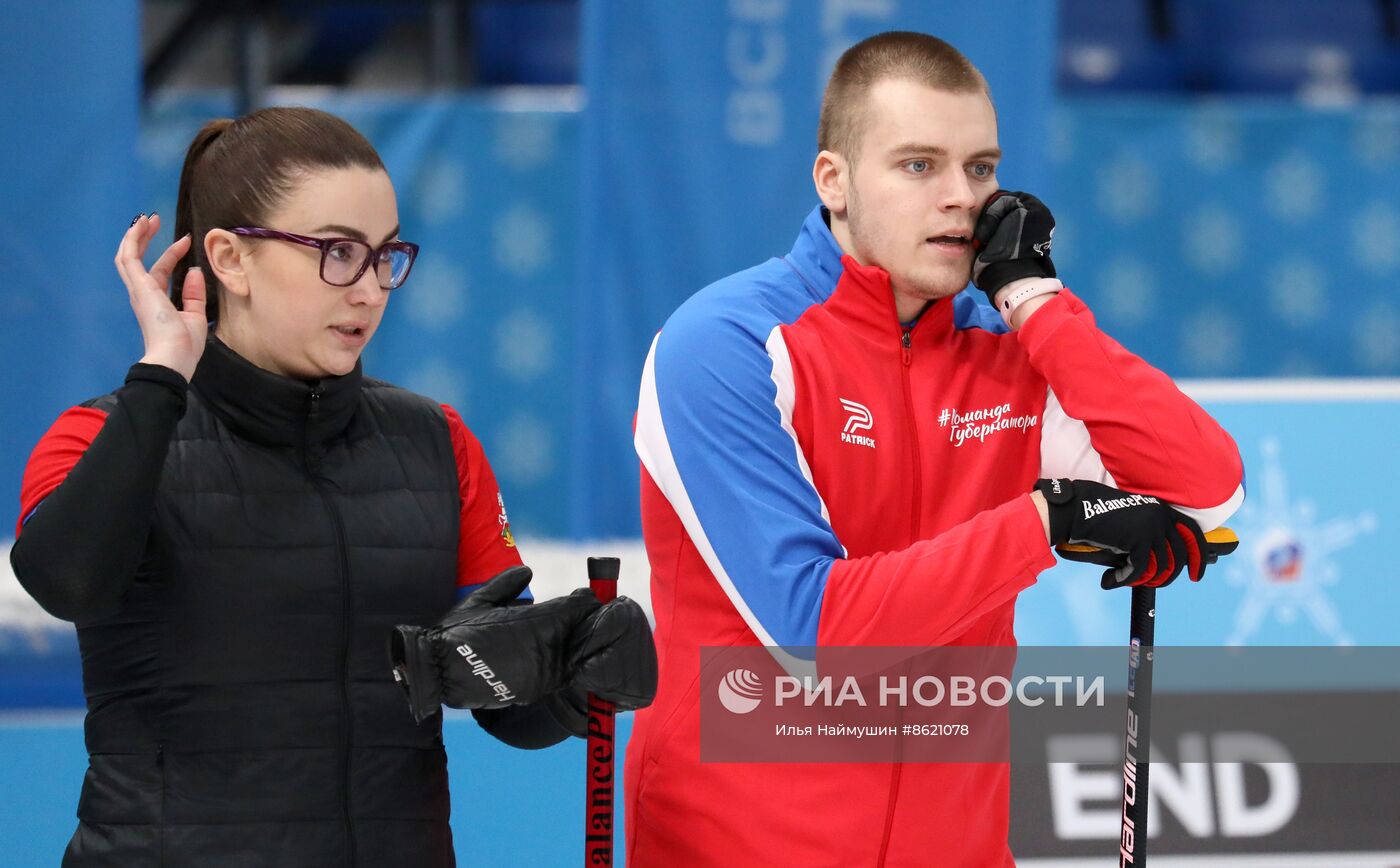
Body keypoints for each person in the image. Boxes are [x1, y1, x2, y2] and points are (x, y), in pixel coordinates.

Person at [625, 31, 1244, 867]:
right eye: (919, 165)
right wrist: (1045, 522)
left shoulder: (1010, 347)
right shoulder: (725, 343)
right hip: (744, 844)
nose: (962, 198)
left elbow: (1206, 492)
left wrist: (1037, 301)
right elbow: (814, 632)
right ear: (833, 182)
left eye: (981, 169)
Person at [9, 106, 655, 867]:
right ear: (230, 259)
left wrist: (576, 676)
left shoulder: (439, 443)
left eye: (386, 256)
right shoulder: (102, 434)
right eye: (338, 253)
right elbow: (68, 583)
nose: (372, 289)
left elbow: (504, 699)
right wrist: (160, 382)